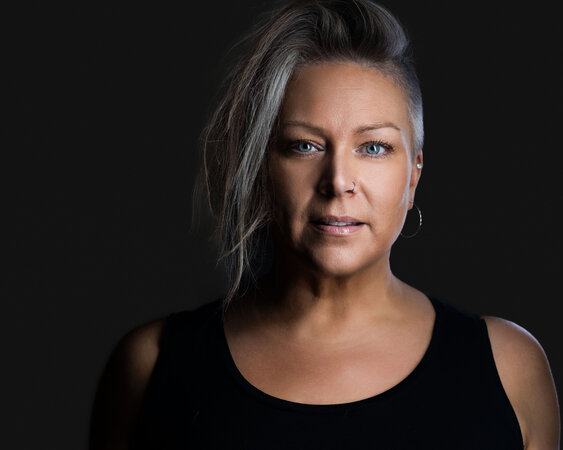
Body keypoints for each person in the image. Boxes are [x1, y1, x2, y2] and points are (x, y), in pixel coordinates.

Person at [89, 0, 560, 448]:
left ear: (413, 175)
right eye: (304, 146)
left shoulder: (509, 369)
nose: (337, 181)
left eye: (373, 147)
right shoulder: (151, 366)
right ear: (261, 168)